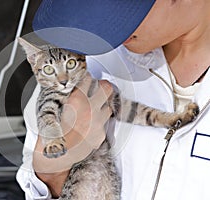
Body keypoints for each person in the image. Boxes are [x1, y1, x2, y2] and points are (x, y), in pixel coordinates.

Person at [16, 0, 210, 199]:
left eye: (123, 9)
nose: (103, 28)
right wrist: (52, 170)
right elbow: (37, 188)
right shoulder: (77, 60)